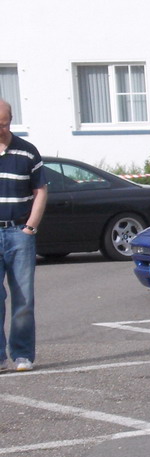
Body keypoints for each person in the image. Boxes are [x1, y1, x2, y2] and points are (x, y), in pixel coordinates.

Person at [0, 99, 47, 373]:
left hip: (19, 233)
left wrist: (30, 227)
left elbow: (40, 191)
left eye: (4, 124)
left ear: (11, 120)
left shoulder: (27, 152)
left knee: (23, 298)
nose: (1, 129)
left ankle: (22, 355)